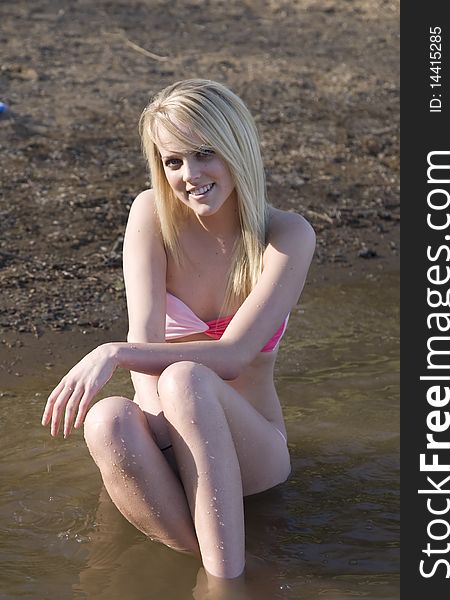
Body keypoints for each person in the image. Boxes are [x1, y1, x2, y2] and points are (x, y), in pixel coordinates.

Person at [41, 79, 316, 580]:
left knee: (186, 378)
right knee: (107, 419)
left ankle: (222, 584)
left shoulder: (286, 235)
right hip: (170, 437)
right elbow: (145, 336)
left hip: (253, 452)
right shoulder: (150, 214)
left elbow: (232, 357)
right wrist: (161, 444)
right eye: (173, 161)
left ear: (237, 147)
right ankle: (226, 570)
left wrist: (116, 352)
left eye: (204, 153)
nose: (189, 175)